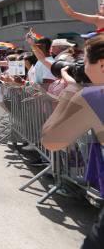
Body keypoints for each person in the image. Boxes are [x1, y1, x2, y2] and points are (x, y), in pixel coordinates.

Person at [41, 34, 104, 249]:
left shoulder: (95, 96)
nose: (83, 68)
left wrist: (71, 91)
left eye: (85, 62)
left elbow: (52, 140)